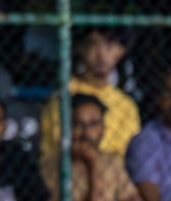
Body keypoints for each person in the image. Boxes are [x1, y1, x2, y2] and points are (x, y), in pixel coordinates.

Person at [43, 93, 147, 201]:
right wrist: (91, 161)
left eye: (92, 124)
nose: (85, 132)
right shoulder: (53, 164)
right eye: (78, 124)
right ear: (66, 127)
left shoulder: (111, 163)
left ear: (103, 129)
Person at [38, 28, 141, 168]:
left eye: (109, 45)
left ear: (122, 50)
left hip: (113, 177)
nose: (102, 54)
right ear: (80, 48)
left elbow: (130, 155)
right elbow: (56, 147)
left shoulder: (126, 106)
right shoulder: (63, 97)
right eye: (93, 44)